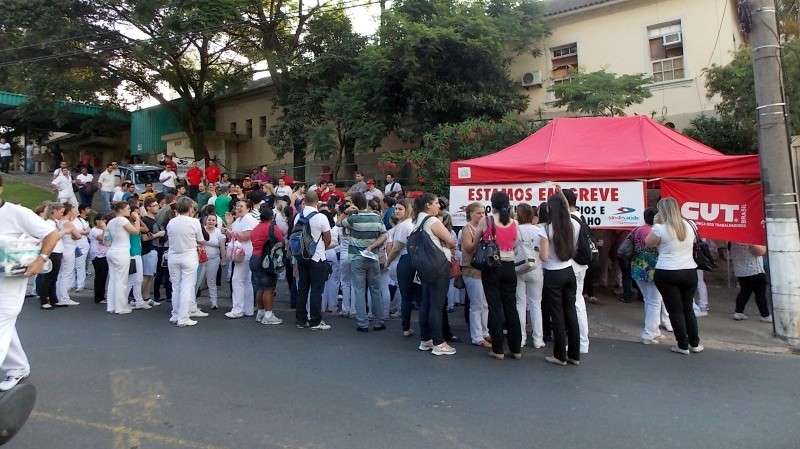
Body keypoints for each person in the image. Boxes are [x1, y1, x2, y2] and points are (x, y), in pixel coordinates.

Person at [0, 173, 60, 391]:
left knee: (2, 319)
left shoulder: (16, 213)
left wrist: (40, 259)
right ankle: (18, 367)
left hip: (10, 280)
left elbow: (52, 234)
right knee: (5, 326)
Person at [646, 197, 703, 356]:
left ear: (661, 211)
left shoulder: (659, 228)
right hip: (689, 270)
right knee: (688, 308)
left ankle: (682, 345)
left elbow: (648, 243)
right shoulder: (691, 224)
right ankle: (695, 343)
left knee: (675, 310)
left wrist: (655, 224)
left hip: (667, 271)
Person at [474, 191, 521, 360]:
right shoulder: (514, 222)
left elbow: (475, 243)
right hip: (509, 266)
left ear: (492, 205)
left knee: (494, 307)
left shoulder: (486, 221)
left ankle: (498, 349)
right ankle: (516, 348)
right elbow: (516, 244)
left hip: (492, 267)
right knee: (511, 306)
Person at [412, 193, 457, 356]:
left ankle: (426, 339)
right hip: (438, 265)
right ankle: (439, 342)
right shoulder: (432, 221)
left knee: (426, 302)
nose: (439, 206)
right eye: (436, 203)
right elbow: (451, 241)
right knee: (437, 304)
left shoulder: (417, 221)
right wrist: (445, 242)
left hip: (424, 266)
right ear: (428, 205)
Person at [541, 192, 581, 366]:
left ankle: (559, 355)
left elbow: (543, 256)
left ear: (550, 209)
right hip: (569, 271)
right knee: (571, 312)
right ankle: (574, 355)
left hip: (553, 273)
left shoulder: (547, 229)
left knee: (557, 315)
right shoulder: (572, 224)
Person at [341, 192, 387, 332]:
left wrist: (346, 211)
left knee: (359, 290)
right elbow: (384, 235)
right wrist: (372, 246)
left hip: (357, 257)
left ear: (354, 203)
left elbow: (338, 223)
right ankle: (379, 321)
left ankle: (362, 323)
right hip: (372, 257)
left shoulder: (353, 218)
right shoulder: (376, 217)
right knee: (375, 290)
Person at [630, 208, 672, 344]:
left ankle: (654, 331)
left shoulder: (638, 229)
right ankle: (649, 333)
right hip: (652, 270)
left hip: (637, 268)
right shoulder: (654, 231)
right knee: (655, 301)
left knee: (649, 300)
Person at [293, 191, 332, 330]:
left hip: (301, 256)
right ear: (317, 201)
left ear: (305, 200)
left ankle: (301, 320)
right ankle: (315, 321)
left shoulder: (298, 216)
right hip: (317, 257)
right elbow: (328, 239)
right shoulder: (321, 217)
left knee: (302, 288)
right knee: (316, 290)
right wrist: (321, 247)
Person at [167, 197, 206, 327]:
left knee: (176, 286)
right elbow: (201, 240)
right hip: (189, 255)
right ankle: (183, 317)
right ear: (190, 208)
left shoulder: (171, 222)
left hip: (173, 256)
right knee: (187, 287)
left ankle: (175, 314)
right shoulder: (194, 222)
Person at [515, 203, 548, 349]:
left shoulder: (515, 231)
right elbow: (544, 255)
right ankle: (538, 339)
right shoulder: (540, 231)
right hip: (536, 269)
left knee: (520, 303)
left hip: (519, 268)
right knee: (536, 304)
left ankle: (521, 338)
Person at [561, 189, 590, 354]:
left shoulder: (570, 221)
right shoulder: (580, 216)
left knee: (576, 304)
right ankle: (580, 340)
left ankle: (580, 341)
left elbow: (567, 246)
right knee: (577, 302)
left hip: (573, 265)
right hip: (579, 265)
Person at [459, 202, 490, 347]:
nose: (482, 215)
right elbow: (468, 248)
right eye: (478, 213)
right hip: (471, 269)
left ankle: (485, 332)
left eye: (483, 213)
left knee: (484, 304)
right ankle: (477, 336)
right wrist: (479, 237)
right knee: (476, 304)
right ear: (471, 214)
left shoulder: (485, 227)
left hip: (483, 270)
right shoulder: (467, 228)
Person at [250, 205, 284, 325]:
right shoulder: (272, 227)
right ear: (272, 217)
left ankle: (260, 313)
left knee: (260, 287)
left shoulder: (256, 228)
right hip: (267, 260)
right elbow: (281, 239)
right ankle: (268, 315)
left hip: (254, 258)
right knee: (269, 288)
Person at [224, 200, 259, 319]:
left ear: (248, 208)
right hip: (243, 252)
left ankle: (238, 309)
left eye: (241, 206)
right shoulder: (239, 220)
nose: (238, 208)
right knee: (246, 281)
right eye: (237, 205)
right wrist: (229, 224)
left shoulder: (248, 219)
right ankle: (247, 309)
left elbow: (246, 236)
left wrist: (232, 233)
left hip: (244, 253)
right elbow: (231, 234)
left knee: (237, 280)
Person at [106, 202, 142, 315]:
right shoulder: (122, 220)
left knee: (113, 279)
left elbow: (106, 239)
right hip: (121, 252)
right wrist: (137, 219)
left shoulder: (110, 222)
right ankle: (120, 307)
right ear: (121, 210)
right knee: (121, 280)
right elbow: (136, 232)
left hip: (111, 251)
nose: (129, 210)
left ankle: (111, 306)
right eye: (127, 208)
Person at [730, 242, 772, 322]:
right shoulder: (750, 241)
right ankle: (765, 315)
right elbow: (760, 252)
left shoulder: (733, 242)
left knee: (744, 292)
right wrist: (762, 246)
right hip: (755, 270)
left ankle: (738, 312)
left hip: (741, 272)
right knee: (760, 294)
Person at [55, 204, 82, 306]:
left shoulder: (59, 222)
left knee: (61, 274)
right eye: (74, 210)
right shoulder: (68, 223)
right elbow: (78, 236)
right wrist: (75, 235)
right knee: (66, 274)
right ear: (69, 211)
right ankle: (64, 297)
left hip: (62, 248)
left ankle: (58, 296)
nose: (75, 212)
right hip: (69, 249)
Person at [197, 214, 225, 310]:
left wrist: (223, 259)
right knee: (197, 281)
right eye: (209, 220)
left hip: (214, 259)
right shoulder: (201, 230)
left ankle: (214, 302)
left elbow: (222, 247)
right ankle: (192, 303)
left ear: (216, 222)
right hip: (200, 260)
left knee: (211, 281)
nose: (211, 222)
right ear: (206, 221)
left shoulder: (218, 232)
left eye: (213, 220)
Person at [140, 198, 164, 306]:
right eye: (154, 205)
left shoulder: (154, 220)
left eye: (157, 205)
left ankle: (146, 298)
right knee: (146, 276)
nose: (157, 207)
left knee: (150, 276)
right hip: (147, 250)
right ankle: (138, 298)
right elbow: (144, 238)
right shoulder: (146, 220)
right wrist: (157, 235)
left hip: (154, 249)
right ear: (148, 207)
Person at [126, 209, 151, 310]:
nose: (138, 215)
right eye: (136, 213)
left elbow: (146, 229)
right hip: (132, 254)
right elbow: (137, 231)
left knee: (138, 279)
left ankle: (139, 301)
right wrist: (136, 218)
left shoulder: (135, 225)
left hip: (137, 254)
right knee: (132, 279)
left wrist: (138, 219)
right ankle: (124, 301)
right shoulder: (128, 226)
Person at [89, 214, 110, 304]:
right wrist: (105, 228)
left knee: (104, 276)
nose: (103, 222)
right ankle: (98, 297)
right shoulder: (94, 230)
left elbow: (109, 240)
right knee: (99, 276)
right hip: (97, 255)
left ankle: (102, 295)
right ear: (96, 221)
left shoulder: (105, 229)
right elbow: (102, 238)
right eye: (101, 220)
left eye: (104, 220)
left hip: (105, 255)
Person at [72, 205, 92, 291]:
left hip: (83, 246)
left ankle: (80, 284)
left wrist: (79, 232)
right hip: (73, 245)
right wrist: (82, 231)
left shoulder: (81, 220)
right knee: (72, 266)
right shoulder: (69, 221)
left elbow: (88, 230)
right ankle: (72, 283)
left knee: (80, 265)